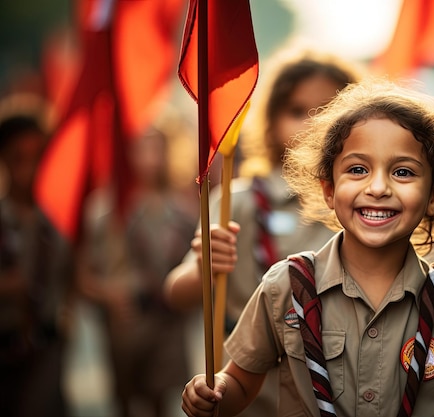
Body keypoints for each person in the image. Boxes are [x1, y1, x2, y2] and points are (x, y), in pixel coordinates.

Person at [181, 78, 434, 417]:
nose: (378, 187)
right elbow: (241, 384)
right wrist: (213, 391)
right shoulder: (286, 285)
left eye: (403, 172)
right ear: (329, 189)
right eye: (357, 169)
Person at [164, 45, 362, 416]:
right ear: (270, 121)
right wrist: (204, 265)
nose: (314, 124)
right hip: (246, 390)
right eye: (297, 111)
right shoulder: (234, 202)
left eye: (330, 111)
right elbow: (177, 293)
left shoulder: (364, 203)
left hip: (341, 390)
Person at [77, 121, 198, 417]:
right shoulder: (105, 208)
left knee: (161, 398)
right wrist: (108, 295)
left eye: (156, 146)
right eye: (140, 146)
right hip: (126, 322)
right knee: (126, 399)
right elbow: (81, 275)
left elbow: (192, 265)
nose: (149, 156)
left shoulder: (181, 210)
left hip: (166, 320)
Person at [0, 95, 75, 417]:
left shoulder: (58, 217)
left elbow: (74, 274)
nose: (28, 170)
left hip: (47, 347)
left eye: (37, 157)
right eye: (18, 158)